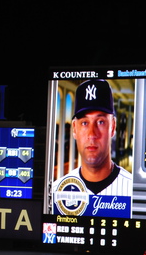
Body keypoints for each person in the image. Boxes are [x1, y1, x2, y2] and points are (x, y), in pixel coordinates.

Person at [52, 79, 132, 215]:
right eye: (84, 123)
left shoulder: (132, 190)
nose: (92, 134)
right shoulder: (55, 191)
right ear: (74, 129)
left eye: (100, 122)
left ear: (112, 127)